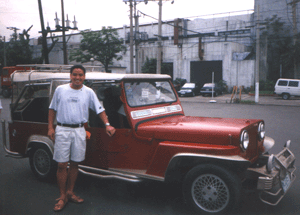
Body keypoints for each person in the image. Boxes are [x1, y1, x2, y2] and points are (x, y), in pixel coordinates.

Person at [48, 65, 115, 212]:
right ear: (70, 75)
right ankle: (62, 196)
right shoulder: (61, 90)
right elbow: (52, 109)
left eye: (80, 75)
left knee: (75, 163)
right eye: (74, 75)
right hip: (62, 129)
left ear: (84, 77)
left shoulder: (89, 92)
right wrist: (50, 128)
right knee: (61, 164)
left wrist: (108, 125)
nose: (77, 78)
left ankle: (70, 192)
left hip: (79, 130)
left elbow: (100, 109)